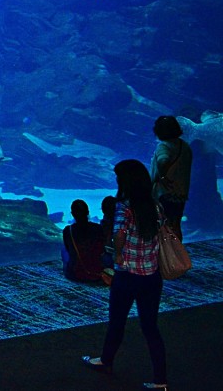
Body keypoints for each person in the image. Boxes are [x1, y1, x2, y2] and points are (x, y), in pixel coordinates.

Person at [82, 159, 168, 389]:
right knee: (150, 328)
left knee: (117, 322)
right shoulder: (155, 205)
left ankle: (105, 360)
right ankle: (161, 381)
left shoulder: (125, 206)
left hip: (128, 274)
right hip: (151, 275)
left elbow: (119, 232)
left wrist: (118, 255)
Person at [150, 115, 193, 241]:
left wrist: (162, 175)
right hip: (180, 193)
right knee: (176, 224)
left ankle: (167, 255)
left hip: (164, 193)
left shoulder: (164, 146)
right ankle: (178, 252)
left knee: (164, 225)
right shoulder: (185, 146)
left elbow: (164, 159)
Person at [62, 199, 105, 282]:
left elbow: (68, 249)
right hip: (95, 271)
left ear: (72, 214)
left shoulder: (67, 230)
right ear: (87, 212)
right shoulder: (98, 228)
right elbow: (101, 249)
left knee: (63, 250)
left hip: (74, 273)